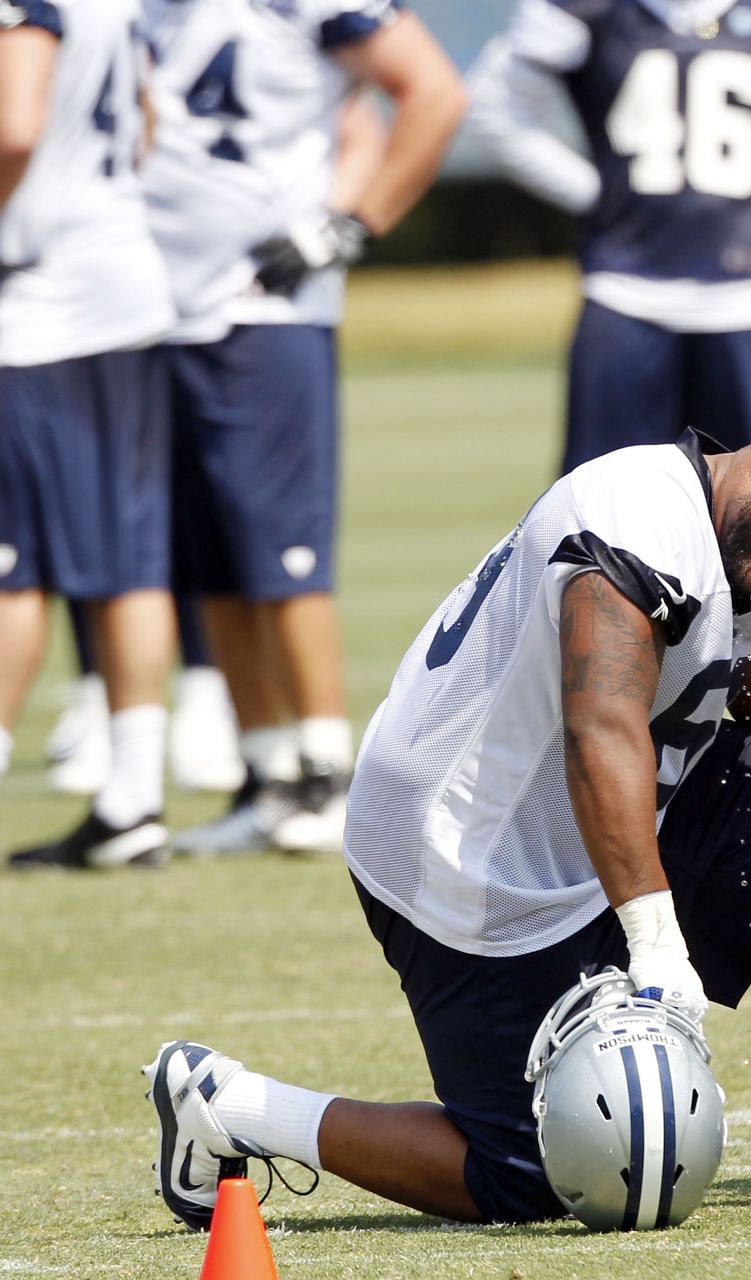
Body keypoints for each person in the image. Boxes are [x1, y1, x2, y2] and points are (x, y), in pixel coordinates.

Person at [145, 420, 751, 1227]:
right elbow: (601, 728)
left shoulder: (735, 544)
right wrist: (656, 941)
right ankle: (226, 1105)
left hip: (576, 832)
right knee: (534, 1176)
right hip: (465, 858)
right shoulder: (640, 514)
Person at [137, 0, 465, 859]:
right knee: (207, 557)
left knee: (280, 550)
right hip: (153, 306)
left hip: (262, 310)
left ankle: (326, 765)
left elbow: (432, 91)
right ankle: (264, 773)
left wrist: (352, 222)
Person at [465, 0, 751, 469]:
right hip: (625, 288)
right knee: (599, 502)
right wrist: (592, 191)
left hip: (744, 295)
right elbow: (494, 107)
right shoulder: (583, 10)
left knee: (749, 511)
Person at [1, 0, 181, 869]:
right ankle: (134, 795)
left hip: (40, 302)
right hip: (119, 281)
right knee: (125, 557)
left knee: (13, 557)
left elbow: (13, 125)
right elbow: (143, 123)